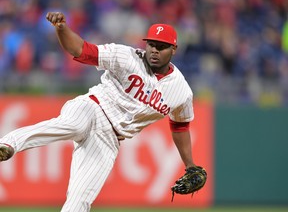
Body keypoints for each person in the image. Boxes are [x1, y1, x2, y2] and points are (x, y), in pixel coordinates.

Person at [0, 12, 198, 211]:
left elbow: (180, 125)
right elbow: (80, 50)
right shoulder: (126, 56)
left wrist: (189, 165)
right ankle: (7, 144)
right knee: (71, 124)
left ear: (174, 49)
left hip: (108, 139)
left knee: (80, 200)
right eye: (151, 44)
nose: (154, 50)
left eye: (161, 47)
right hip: (92, 107)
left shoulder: (181, 91)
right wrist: (62, 28)